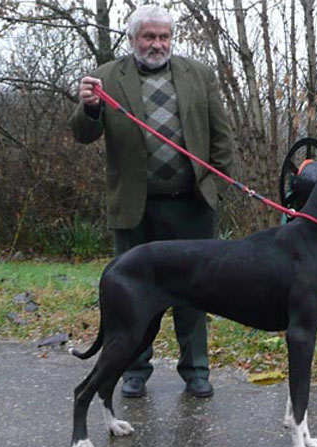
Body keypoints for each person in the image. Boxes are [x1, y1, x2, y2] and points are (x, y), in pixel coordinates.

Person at [70, 4, 233, 398]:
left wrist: (215, 189)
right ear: (132, 39)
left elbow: (222, 138)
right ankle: (133, 371)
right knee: (134, 295)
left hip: (191, 205)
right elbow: (82, 134)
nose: (157, 44)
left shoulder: (199, 75)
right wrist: (89, 108)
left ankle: (196, 371)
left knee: (195, 293)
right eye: (149, 37)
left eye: (163, 36)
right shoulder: (107, 77)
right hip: (134, 208)